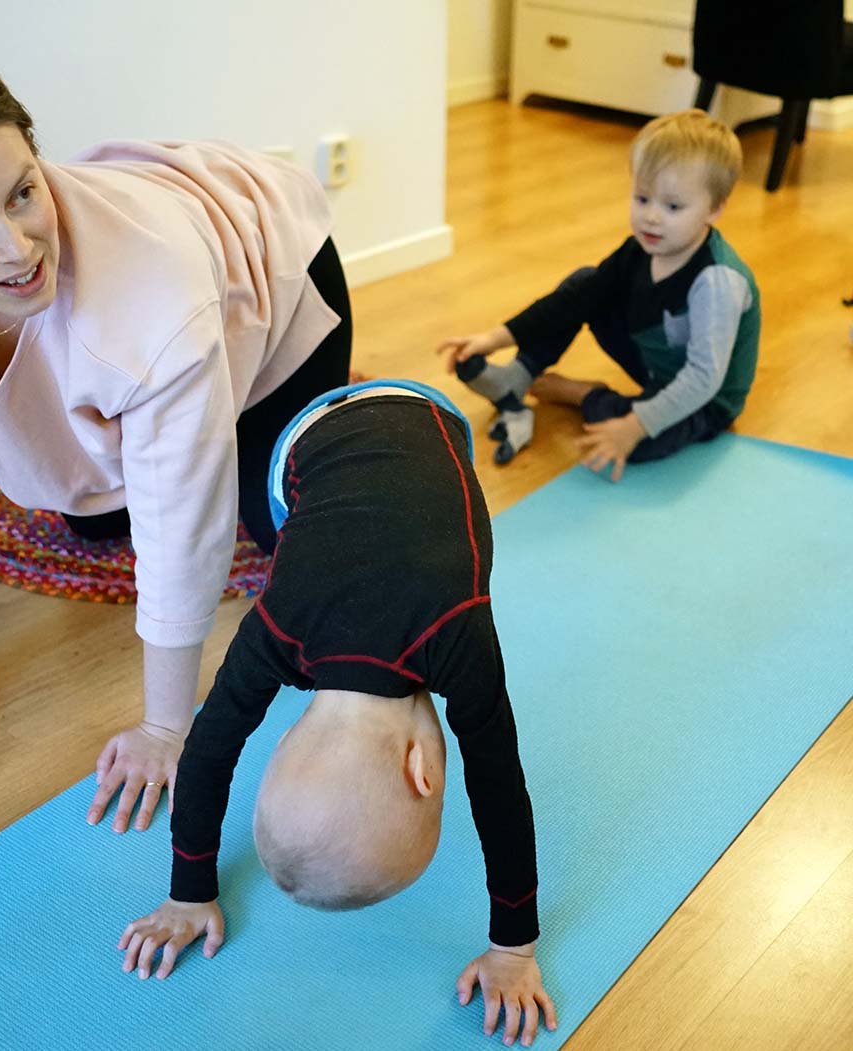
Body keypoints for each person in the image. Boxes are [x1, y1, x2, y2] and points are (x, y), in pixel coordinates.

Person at [0, 36, 352, 829]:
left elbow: (180, 510)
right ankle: (178, 399)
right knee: (91, 521)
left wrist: (166, 725)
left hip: (269, 265)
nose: (18, 246)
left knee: (276, 528)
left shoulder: (151, 289)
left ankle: (288, 418)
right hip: (156, 315)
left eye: (24, 192)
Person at [119, 380, 557, 1048]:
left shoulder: (452, 630)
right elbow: (206, 748)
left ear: (423, 770)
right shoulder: (283, 624)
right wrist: (187, 889)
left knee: (300, 532)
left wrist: (514, 946)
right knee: (291, 533)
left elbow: (499, 784)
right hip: (317, 440)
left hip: (431, 424)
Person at [440, 108, 760, 480]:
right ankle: (520, 374)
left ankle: (583, 393)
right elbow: (575, 300)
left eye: (672, 206)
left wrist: (635, 426)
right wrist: (496, 337)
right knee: (587, 283)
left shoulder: (716, 281)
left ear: (715, 209)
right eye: (642, 199)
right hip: (655, 365)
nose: (652, 217)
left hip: (707, 400)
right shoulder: (641, 248)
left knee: (630, 442)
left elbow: (703, 379)